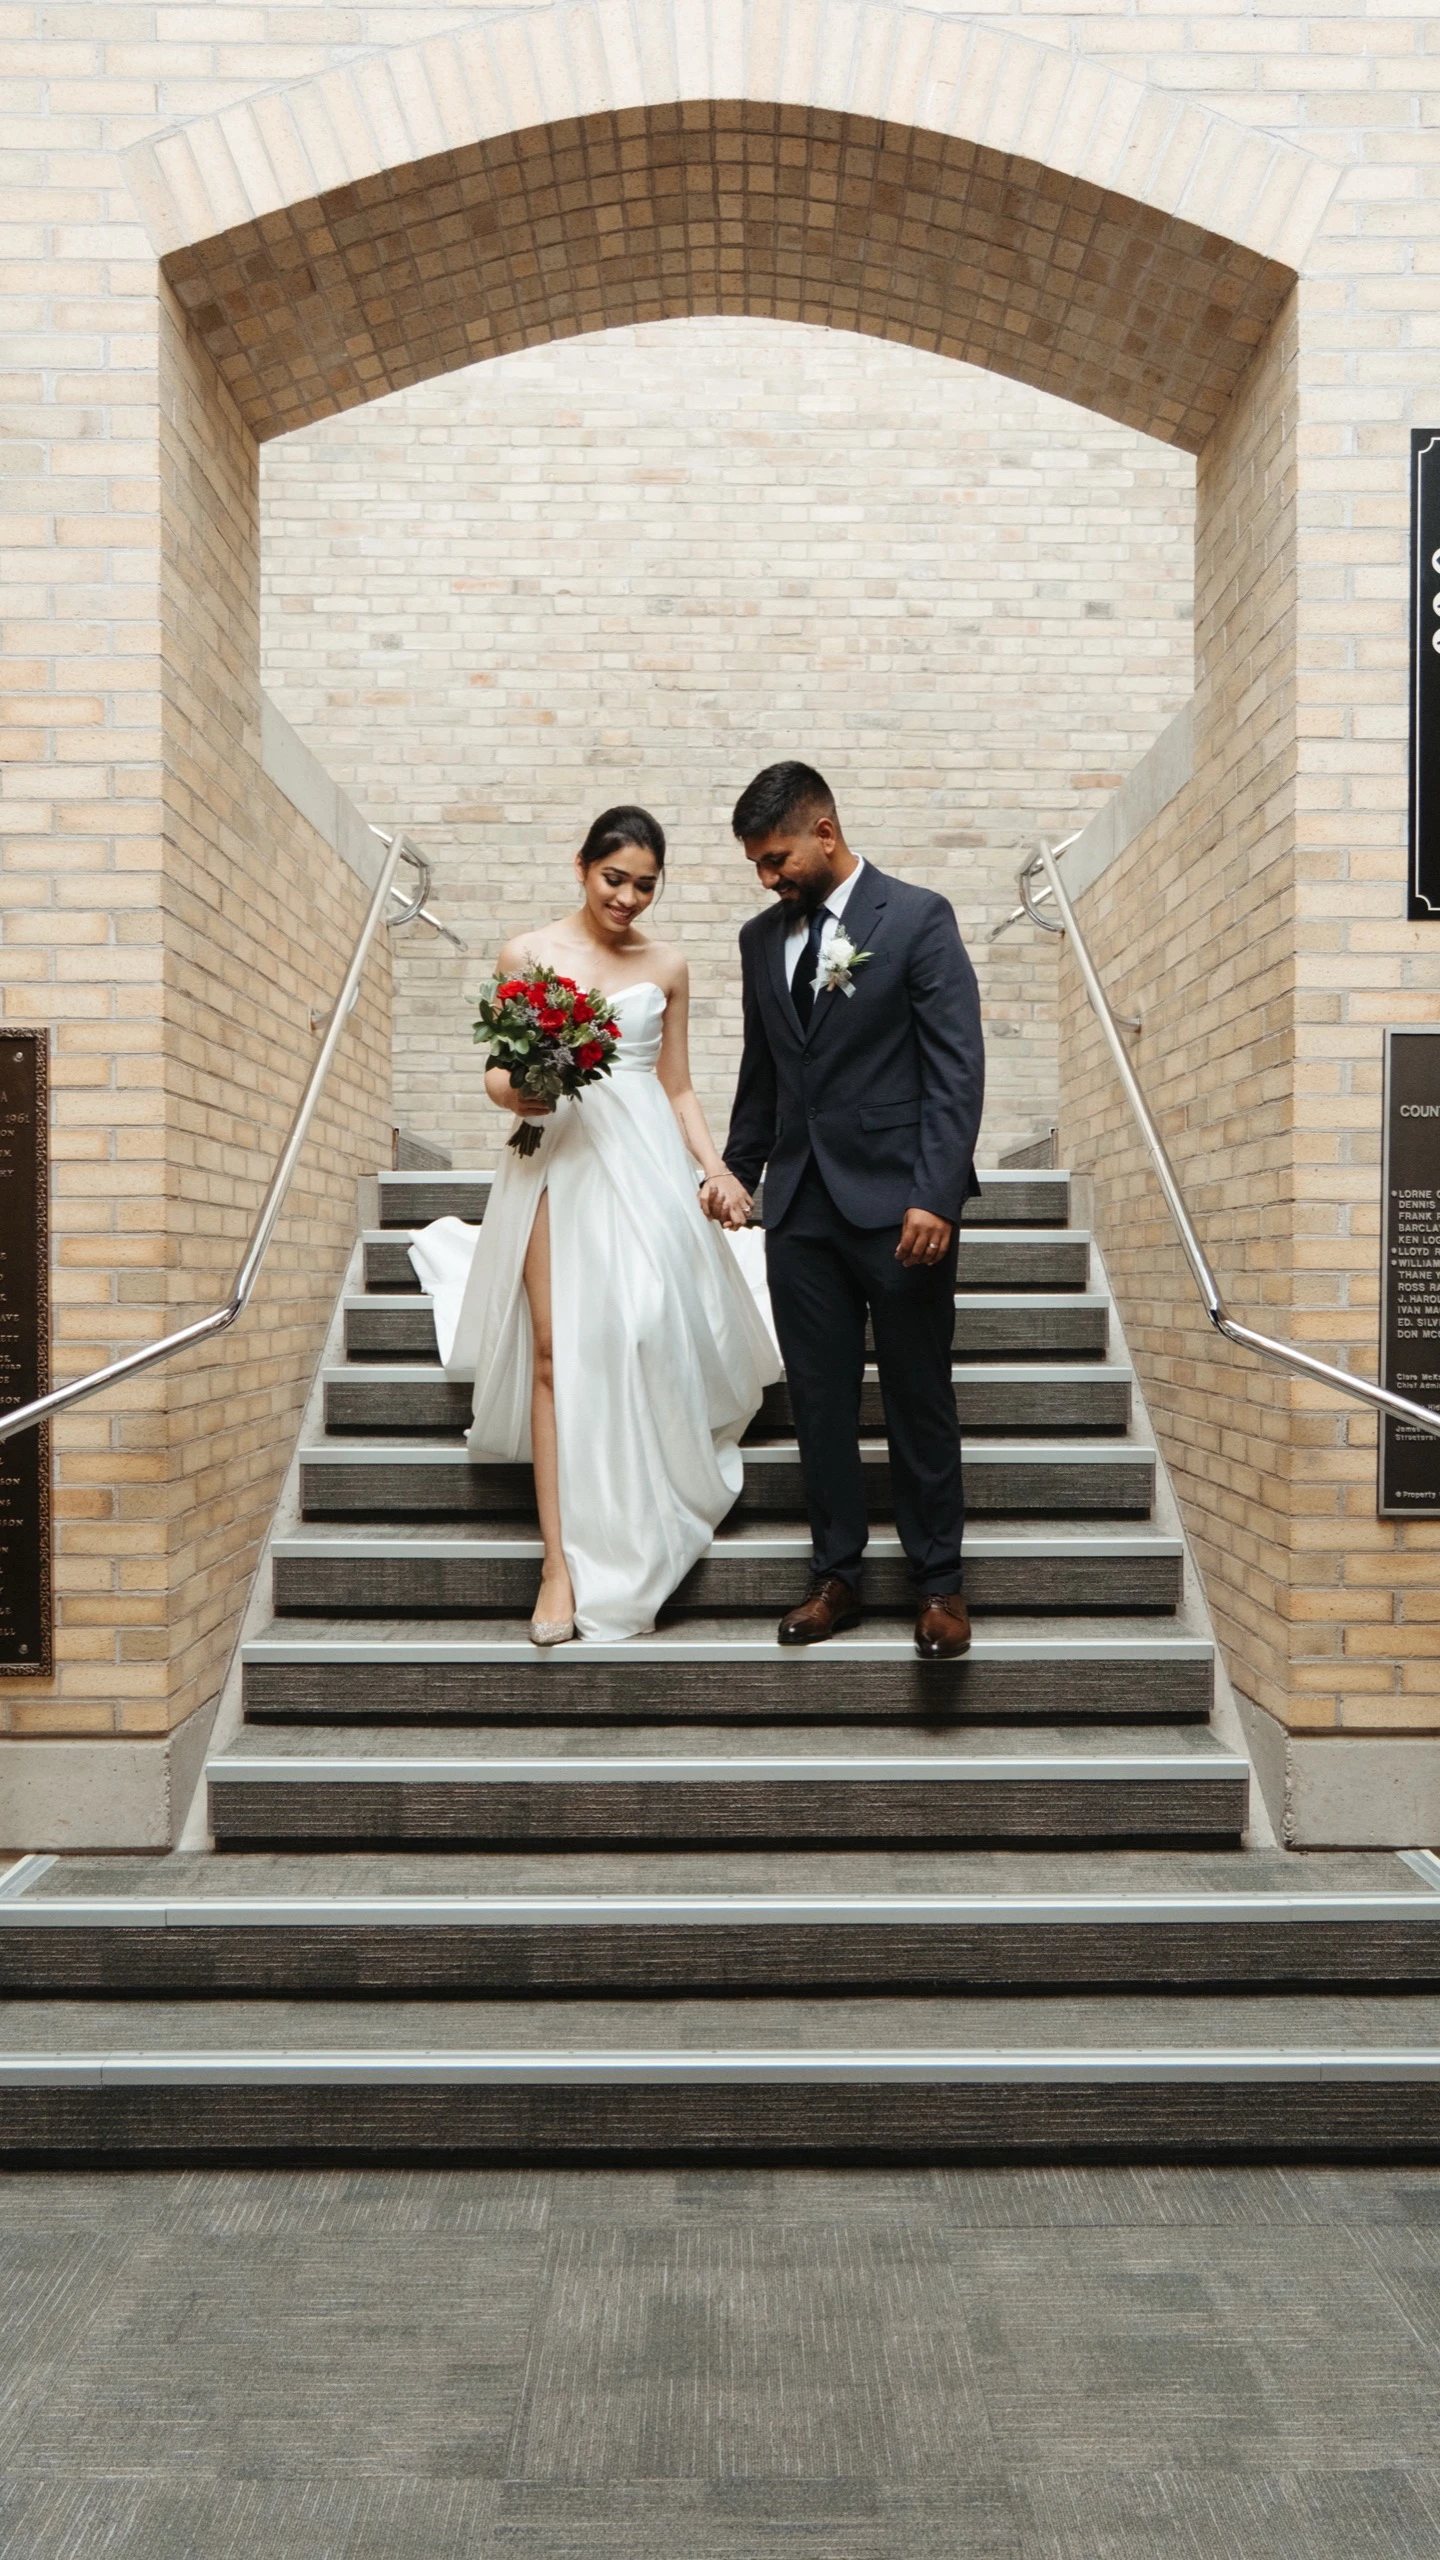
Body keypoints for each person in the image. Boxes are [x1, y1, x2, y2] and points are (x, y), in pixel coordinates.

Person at [410, 806, 777, 1647]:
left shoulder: (670, 964)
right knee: (553, 1350)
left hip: (645, 1158)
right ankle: (558, 1565)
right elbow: (498, 1074)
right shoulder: (527, 954)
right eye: (616, 879)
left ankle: (644, 1501)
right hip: (557, 1154)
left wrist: (714, 1168)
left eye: (647, 885)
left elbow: (677, 1086)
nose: (630, 898)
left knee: (646, 1324)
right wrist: (518, 1091)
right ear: (581, 866)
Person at [706, 761, 984, 1661]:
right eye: (757, 864)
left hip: (901, 1207)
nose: (769, 878)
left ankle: (939, 1585)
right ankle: (836, 1578)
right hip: (801, 1211)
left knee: (917, 1395)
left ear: (824, 831)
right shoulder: (761, 940)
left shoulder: (915, 917)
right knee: (820, 1402)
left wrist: (935, 1192)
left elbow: (955, 1066)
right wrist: (737, 1167)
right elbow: (766, 1070)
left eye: (778, 857)